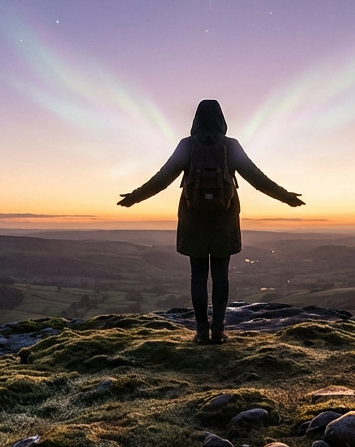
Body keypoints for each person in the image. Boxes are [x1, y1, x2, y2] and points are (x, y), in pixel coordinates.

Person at [118, 99, 304, 344]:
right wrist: (287, 197)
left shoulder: (187, 146)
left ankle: (200, 332)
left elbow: (162, 179)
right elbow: (257, 179)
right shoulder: (231, 146)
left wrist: (133, 198)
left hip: (193, 219)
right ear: (221, 120)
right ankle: (218, 332)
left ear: (196, 120)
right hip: (224, 220)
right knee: (221, 276)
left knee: (197, 276)